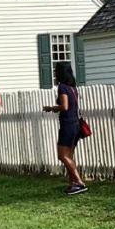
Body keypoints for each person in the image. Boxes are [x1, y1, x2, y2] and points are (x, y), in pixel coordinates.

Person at [43, 62, 87, 195]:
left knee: (62, 156)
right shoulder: (72, 88)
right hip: (76, 124)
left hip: (67, 125)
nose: (55, 73)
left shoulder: (62, 87)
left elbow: (65, 106)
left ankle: (79, 182)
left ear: (60, 73)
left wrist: (51, 108)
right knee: (69, 156)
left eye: (56, 71)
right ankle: (72, 183)